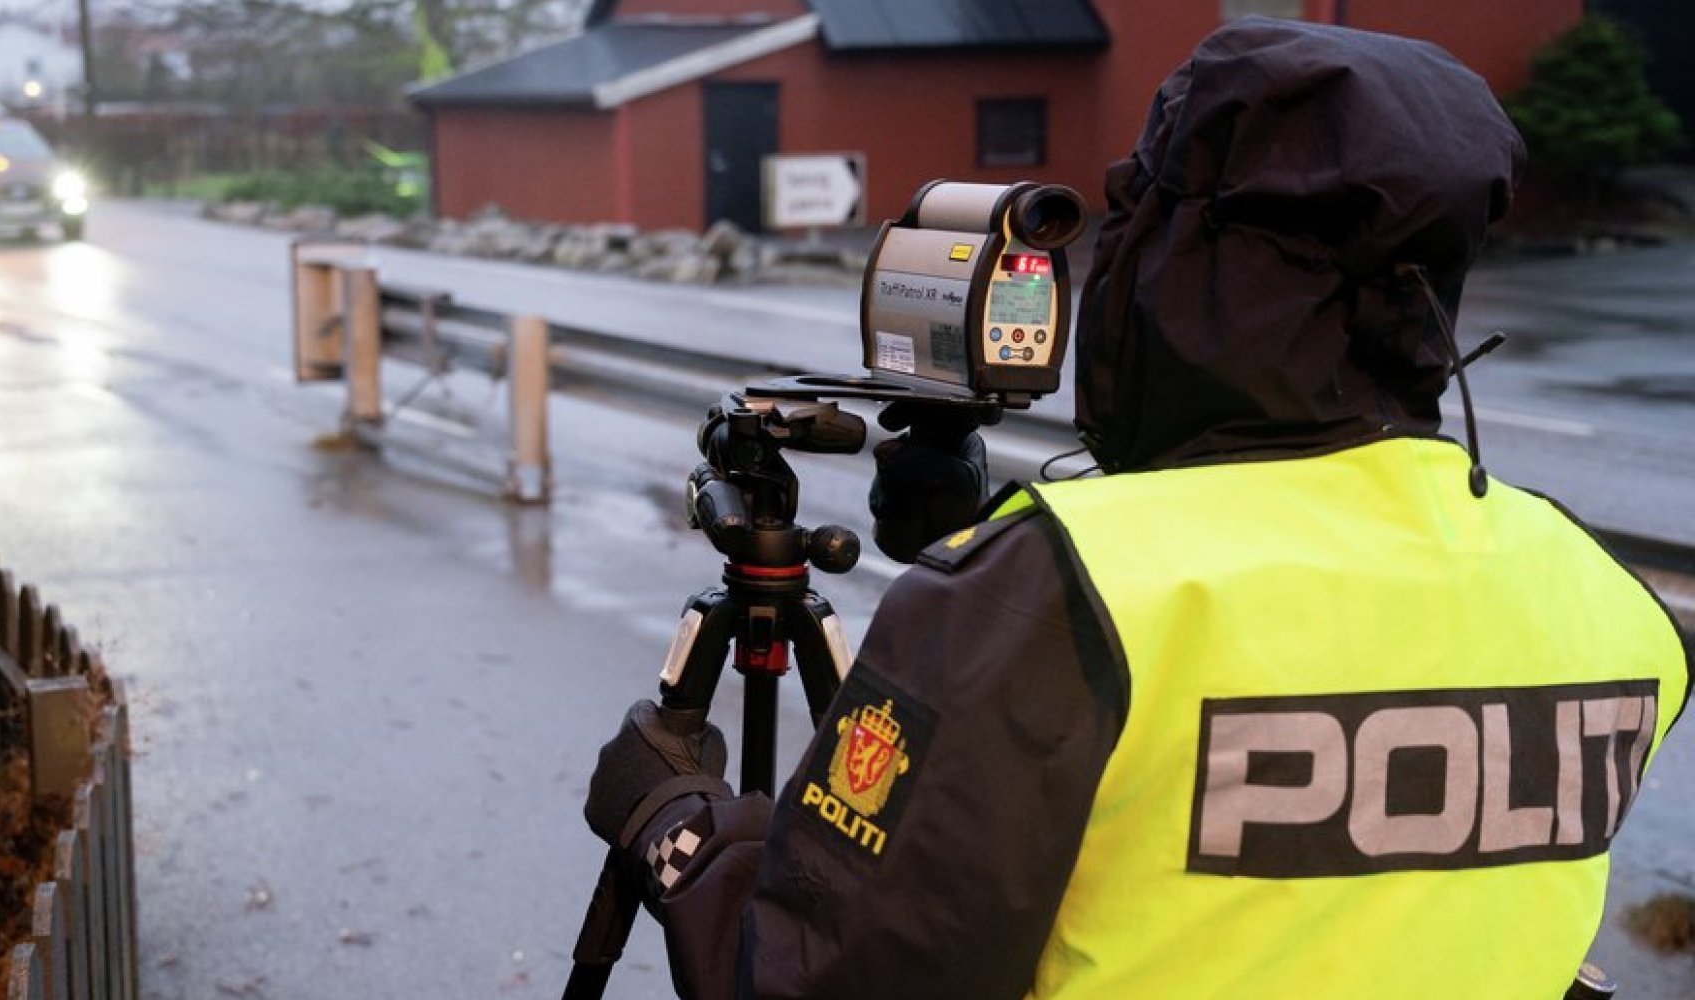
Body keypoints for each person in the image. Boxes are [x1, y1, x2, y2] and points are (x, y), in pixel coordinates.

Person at [583, 18, 1691, 999]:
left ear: (1176, 258)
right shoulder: (1602, 592)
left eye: (1133, 214)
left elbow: (821, 976)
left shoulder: (1059, 595)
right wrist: (990, 577)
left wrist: (676, 824)